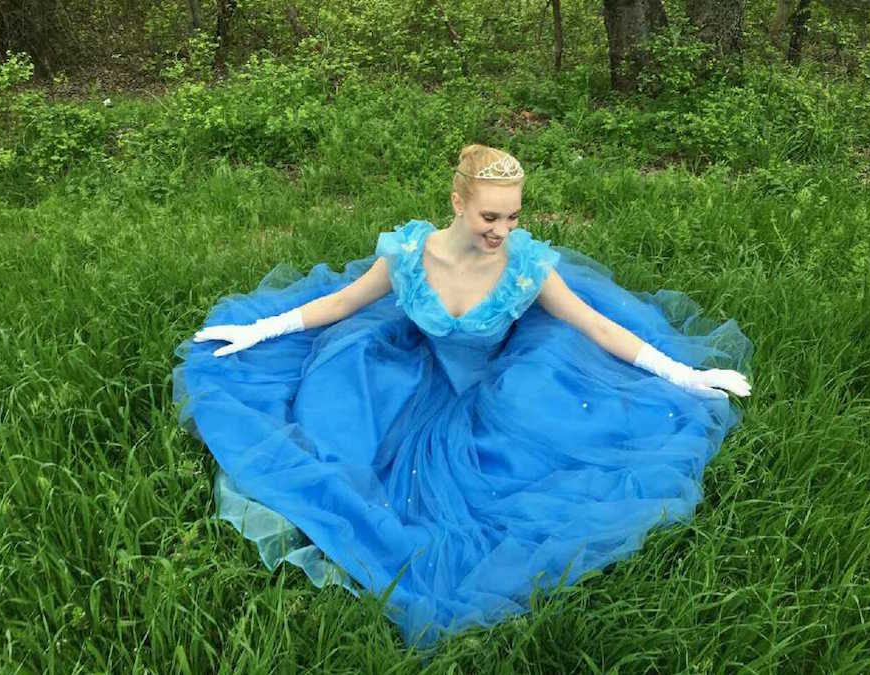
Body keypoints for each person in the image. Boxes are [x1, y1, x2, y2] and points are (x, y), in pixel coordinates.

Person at [172, 143, 753, 650]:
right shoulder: (408, 256)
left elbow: (598, 327)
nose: (502, 231)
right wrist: (260, 330)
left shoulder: (525, 268)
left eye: (513, 216)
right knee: (337, 419)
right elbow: (341, 304)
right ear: (456, 203)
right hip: (411, 370)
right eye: (490, 216)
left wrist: (686, 376)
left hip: (498, 378)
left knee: (541, 448)